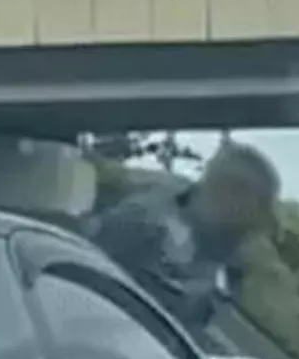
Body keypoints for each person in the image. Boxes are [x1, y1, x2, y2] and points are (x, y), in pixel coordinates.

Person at [82, 141, 281, 346]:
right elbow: (81, 274)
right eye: (260, 205)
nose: (261, 221)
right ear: (228, 192)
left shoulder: (226, 268)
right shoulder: (144, 225)